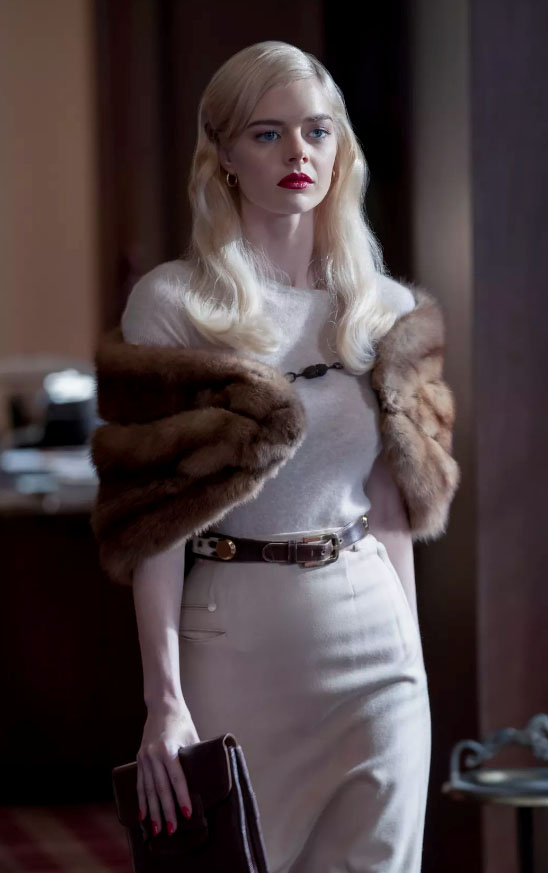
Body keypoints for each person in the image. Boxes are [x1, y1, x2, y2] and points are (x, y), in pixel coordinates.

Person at [91, 40, 460, 873]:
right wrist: (164, 700)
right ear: (223, 154)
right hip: (235, 643)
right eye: (268, 133)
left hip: (376, 647)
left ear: (340, 148)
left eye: (317, 131)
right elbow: (154, 523)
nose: (299, 151)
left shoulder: (383, 308)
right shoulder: (173, 304)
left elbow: (391, 505)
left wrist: (412, 660)